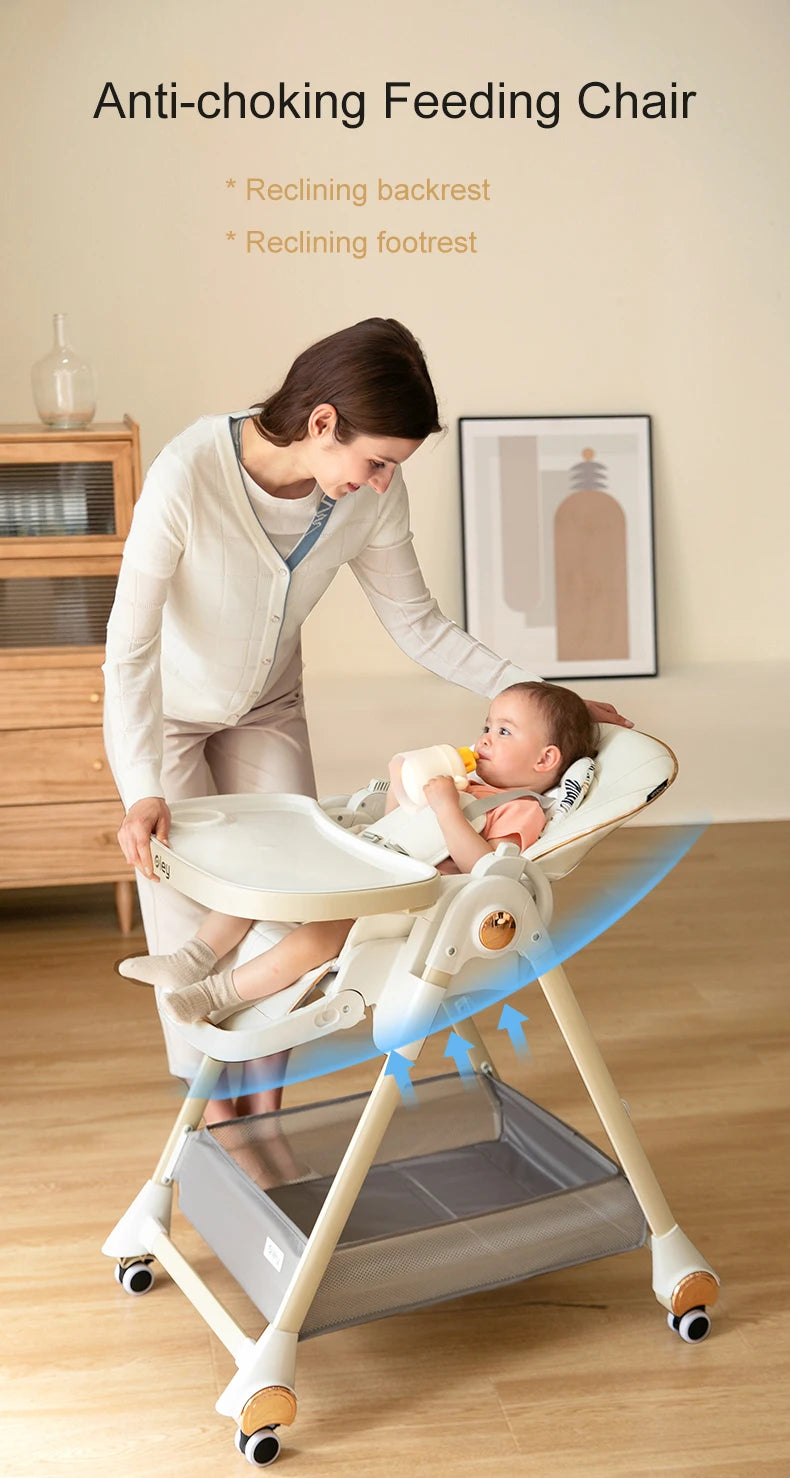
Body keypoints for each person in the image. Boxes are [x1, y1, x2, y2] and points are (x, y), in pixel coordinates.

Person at [104, 317, 628, 1119]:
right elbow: (130, 649)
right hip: (167, 715)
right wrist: (141, 784)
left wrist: (542, 694)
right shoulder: (187, 475)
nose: (383, 482)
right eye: (377, 461)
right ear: (322, 423)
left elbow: (420, 625)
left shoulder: (368, 497)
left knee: (301, 896)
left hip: (268, 706)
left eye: (394, 466)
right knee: (188, 909)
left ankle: (264, 1110)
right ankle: (212, 1115)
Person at [116, 681, 598, 1022]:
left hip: (399, 902)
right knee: (261, 881)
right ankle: (191, 958)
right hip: (369, 860)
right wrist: (406, 782)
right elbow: (394, 821)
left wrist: (448, 809)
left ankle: (213, 995)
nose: (485, 738)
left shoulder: (520, 809)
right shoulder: (463, 781)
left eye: (504, 732)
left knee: (318, 939)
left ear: (546, 759)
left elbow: (487, 871)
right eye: (487, 725)